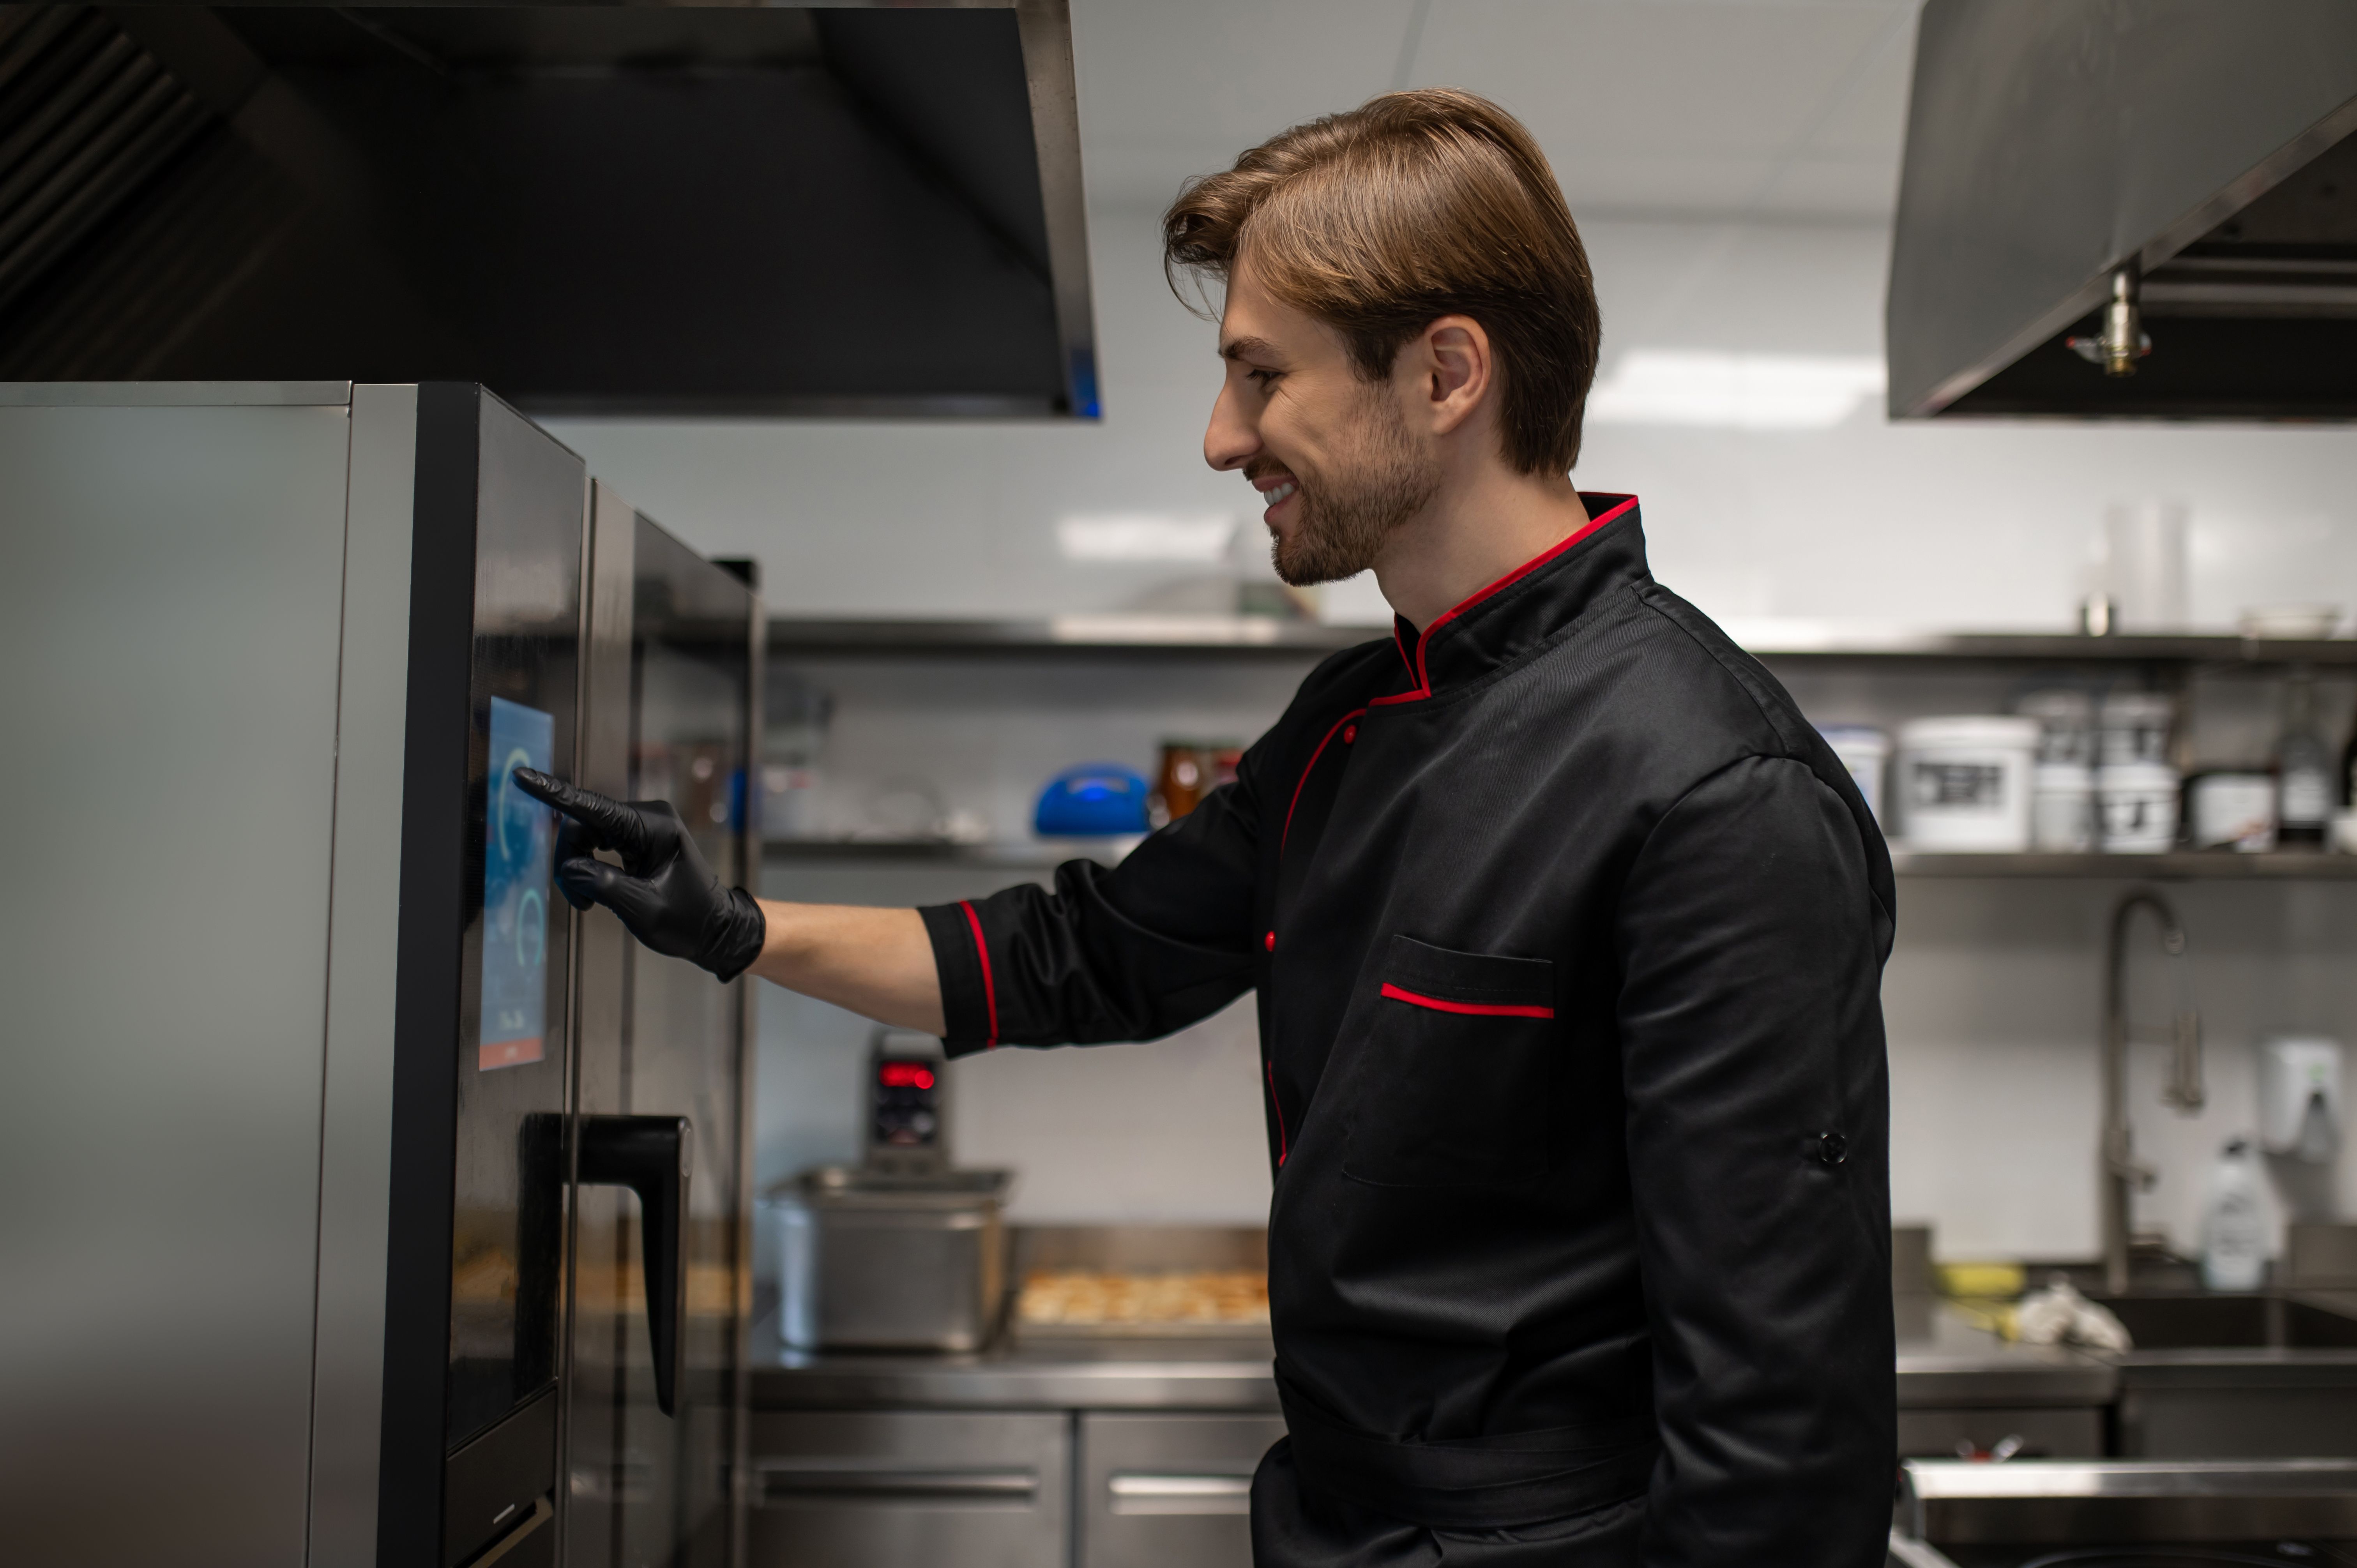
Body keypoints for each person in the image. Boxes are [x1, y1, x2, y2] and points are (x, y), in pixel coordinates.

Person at [520, 87, 1895, 1568]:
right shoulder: (1346, 726)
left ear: (1445, 374)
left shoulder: (1717, 792)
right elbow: (1083, 955)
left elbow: (1781, 1438)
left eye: (1260, 375)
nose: (1221, 437)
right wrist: (728, 927)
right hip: (1333, 1518)